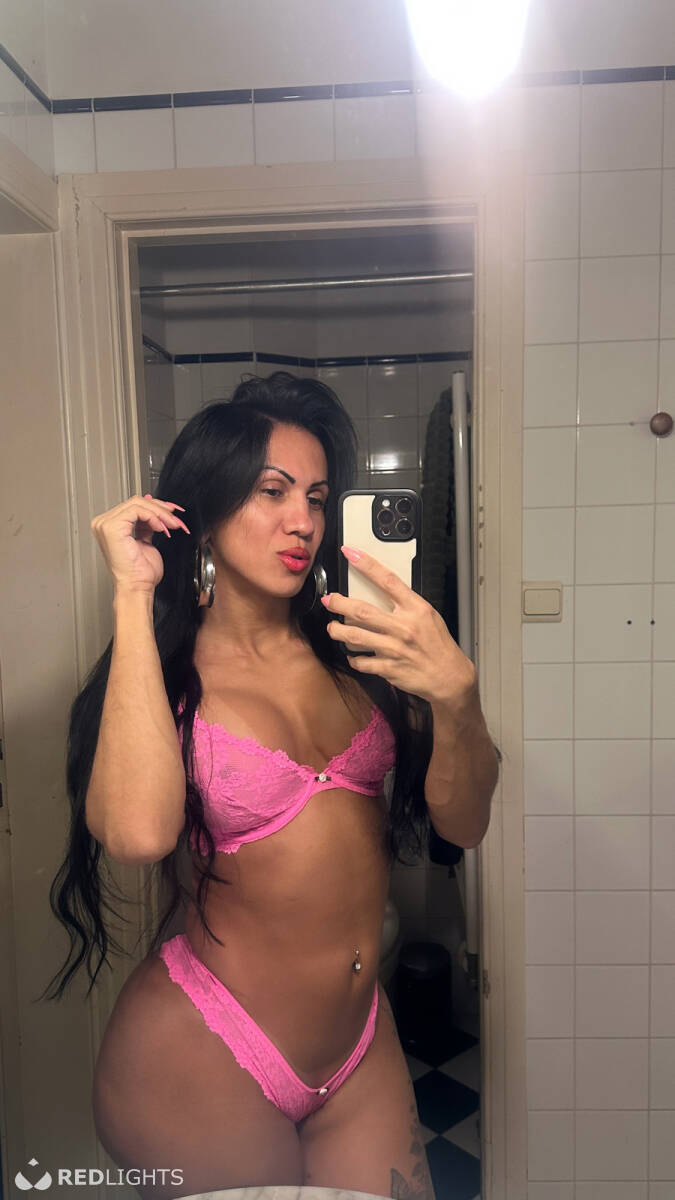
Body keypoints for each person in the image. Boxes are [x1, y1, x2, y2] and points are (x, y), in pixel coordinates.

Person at [41, 372, 500, 1199]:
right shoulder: (163, 676)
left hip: (357, 1042)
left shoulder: (355, 655)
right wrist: (134, 594)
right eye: (272, 491)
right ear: (208, 508)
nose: (303, 522)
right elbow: (138, 837)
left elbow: (463, 825)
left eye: (317, 498)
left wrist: (457, 699)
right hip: (206, 1052)